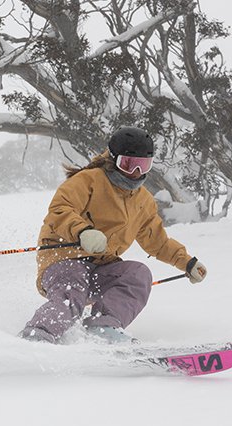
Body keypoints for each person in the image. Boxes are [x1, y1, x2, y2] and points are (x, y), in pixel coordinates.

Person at [19, 127, 207, 344]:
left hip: (101, 268)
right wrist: (83, 231)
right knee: (73, 287)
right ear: (113, 159)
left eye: (143, 165)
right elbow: (60, 210)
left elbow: (157, 241)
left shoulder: (143, 200)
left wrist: (188, 263)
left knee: (138, 274)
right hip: (64, 260)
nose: (136, 172)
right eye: (129, 164)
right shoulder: (88, 180)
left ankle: (103, 327)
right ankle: (37, 335)